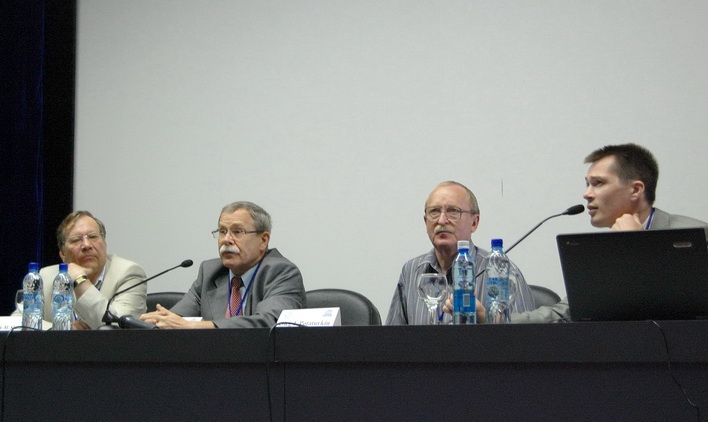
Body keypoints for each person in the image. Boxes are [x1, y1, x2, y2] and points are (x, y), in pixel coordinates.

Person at [510, 143, 708, 323]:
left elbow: (680, 307)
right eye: (587, 184)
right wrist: (499, 320)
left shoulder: (695, 235)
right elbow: (565, 314)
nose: (587, 194)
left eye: (598, 183)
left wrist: (635, 246)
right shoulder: (599, 248)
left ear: (636, 190)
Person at [385, 181, 536, 325]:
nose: (441, 220)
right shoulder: (411, 271)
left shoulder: (501, 272)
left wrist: (485, 318)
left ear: (474, 223)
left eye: (453, 211)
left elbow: (525, 337)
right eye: (434, 212)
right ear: (426, 222)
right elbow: (391, 339)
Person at [140, 201, 305, 328]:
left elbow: (271, 322)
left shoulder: (282, 272)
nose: (226, 239)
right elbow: (178, 318)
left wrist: (196, 326)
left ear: (263, 240)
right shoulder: (210, 272)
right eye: (222, 231)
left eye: (237, 232)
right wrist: (158, 321)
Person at [37, 211, 147, 329]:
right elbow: (23, 322)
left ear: (105, 244)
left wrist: (80, 280)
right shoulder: (47, 276)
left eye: (93, 237)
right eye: (76, 240)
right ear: (63, 254)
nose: (86, 245)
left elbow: (118, 328)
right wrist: (62, 328)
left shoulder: (129, 274)